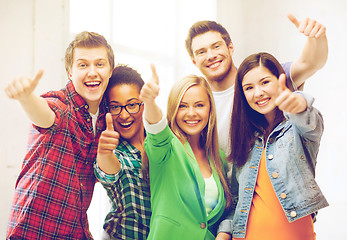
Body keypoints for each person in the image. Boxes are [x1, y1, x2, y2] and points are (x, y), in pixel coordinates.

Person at [4, 31, 114, 239]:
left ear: (110, 70)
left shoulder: (106, 118)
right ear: (70, 73)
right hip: (31, 231)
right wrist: (27, 98)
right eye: (83, 65)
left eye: (100, 64)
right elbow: (45, 114)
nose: (92, 72)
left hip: (75, 230)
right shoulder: (61, 105)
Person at [218, 52, 328, 239]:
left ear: (280, 81)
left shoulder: (296, 128)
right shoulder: (245, 139)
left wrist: (299, 104)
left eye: (265, 82)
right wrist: (224, 232)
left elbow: (311, 123)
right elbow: (237, 200)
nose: (258, 93)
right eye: (248, 87)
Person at [185, 14, 328, 157]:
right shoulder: (197, 104)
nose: (210, 56)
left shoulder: (264, 80)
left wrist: (316, 38)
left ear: (230, 47)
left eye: (216, 46)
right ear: (194, 61)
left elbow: (310, 63)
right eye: (201, 52)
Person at [140, 65, 231, 240]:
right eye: (183, 106)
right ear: (174, 109)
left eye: (199, 105)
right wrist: (150, 102)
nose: (191, 113)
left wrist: (223, 234)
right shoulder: (167, 148)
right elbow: (156, 130)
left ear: (209, 109)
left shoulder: (218, 157)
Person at [94, 65, 151, 240]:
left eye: (132, 105)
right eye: (115, 107)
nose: (124, 115)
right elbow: (109, 172)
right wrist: (104, 154)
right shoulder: (115, 151)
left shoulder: (160, 142)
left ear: (144, 104)